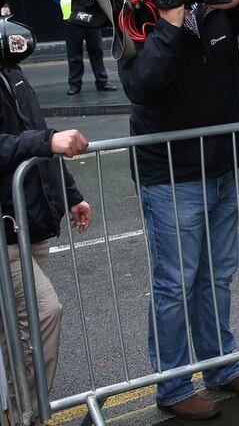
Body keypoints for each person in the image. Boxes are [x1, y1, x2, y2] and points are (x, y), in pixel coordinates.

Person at [117, 0, 239, 420]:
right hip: (172, 173)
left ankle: (221, 365)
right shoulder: (134, 15)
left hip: (222, 164)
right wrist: (168, 23)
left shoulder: (209, 0)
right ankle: (171, 386)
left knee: (218, 275)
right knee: (175, 283)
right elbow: (141, 86)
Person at [1, 23, 91, 415]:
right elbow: (39, 139)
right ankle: (29, 414)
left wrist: (70, 194)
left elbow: (36, 133)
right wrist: (45, 141)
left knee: (15, 329)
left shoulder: (12, 70)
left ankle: (18, 411)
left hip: (29, 222)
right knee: (43, 312)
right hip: (6, 228)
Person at [52, 0, 116, 96]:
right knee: (74, 55)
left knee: (97, 52)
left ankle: (102, 82)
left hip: (91, 19)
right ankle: (75, 85)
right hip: (72, 20)